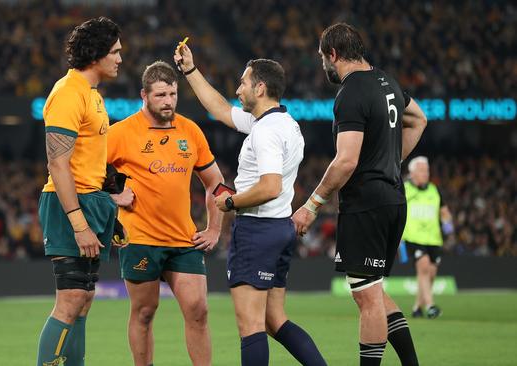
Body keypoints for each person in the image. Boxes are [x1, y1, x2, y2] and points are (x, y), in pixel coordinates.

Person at [175, 45, 326, 366]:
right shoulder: (283, 124)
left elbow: (270, 186)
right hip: (279, 229)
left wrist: (229, 201)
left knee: (251, 327)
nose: (237, 89)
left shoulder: (266, 132)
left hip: (257, 231)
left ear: (260, 87)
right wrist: (190, 70)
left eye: (243, 83)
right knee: (275, 321)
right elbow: (219, 108)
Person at [292, 23, 427, 366]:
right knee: (375, 291)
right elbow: (419, 119)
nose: (324, 65)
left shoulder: (350, 92)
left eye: (324, 58)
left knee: (367, 300)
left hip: (366, 204)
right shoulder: (387, 82)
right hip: (394, 199)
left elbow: (346, 161)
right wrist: (390, 163)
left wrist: (311, 204)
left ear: (333, 54)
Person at [107, 60, 224, 366]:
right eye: (160, 95)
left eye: (172, 94)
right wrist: (113, 195)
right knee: (144, 313)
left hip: (183, 239)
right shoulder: (121, 133)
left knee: (198, 310)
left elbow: (216, 183)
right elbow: (84, 173)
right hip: (140, 238)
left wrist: (214, 229)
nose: (168, 101)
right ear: (144, 96)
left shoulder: (190, 130)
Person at [36, 17, 122, 366]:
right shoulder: (68, 93)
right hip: (68, 205)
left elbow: (91, 164)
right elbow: (58, 164)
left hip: (91, 202)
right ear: (97, 54)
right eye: (115, 52)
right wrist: (79, 223)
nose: (119, 59)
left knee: (84, 299)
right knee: (70, 299)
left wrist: (109, 205)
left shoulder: (92, 96)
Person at [402, 156, 453, 319]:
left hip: (433, 238)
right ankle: (431, 306)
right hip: (413, 237)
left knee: (430, 273)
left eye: (427, 170)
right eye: (422, 170)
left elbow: (444, 211)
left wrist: (448, 225)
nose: (426, 173)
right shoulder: (404, 189)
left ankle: (418, 307)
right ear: (412, 173)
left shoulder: (434, 190)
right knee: (423, 267)